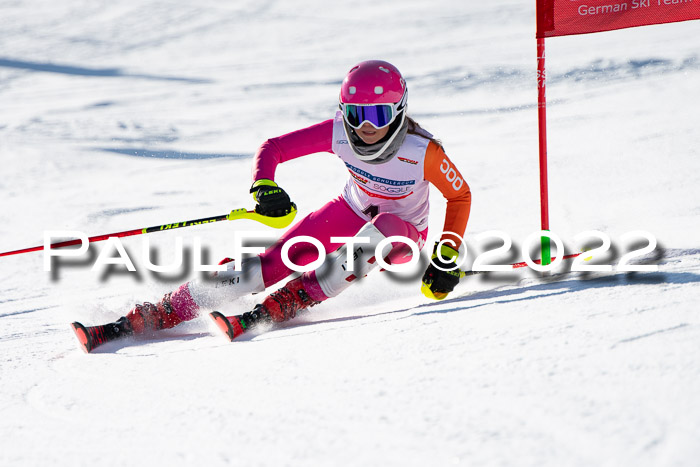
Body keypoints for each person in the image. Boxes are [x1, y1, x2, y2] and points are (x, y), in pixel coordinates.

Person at [73, 60, 472, 350]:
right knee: (263, 266)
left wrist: (448, 253)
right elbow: (274, 148)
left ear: (399, 111)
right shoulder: (338, 133)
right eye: (357, 114)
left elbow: (459, 195)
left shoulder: (424, 152)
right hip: (352, 209)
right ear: (344, 113)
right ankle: (158, 312)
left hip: (403, 233)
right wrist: (264, 185)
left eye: (379, 114)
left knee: (371, 240)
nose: (367, 127)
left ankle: (293, 298)